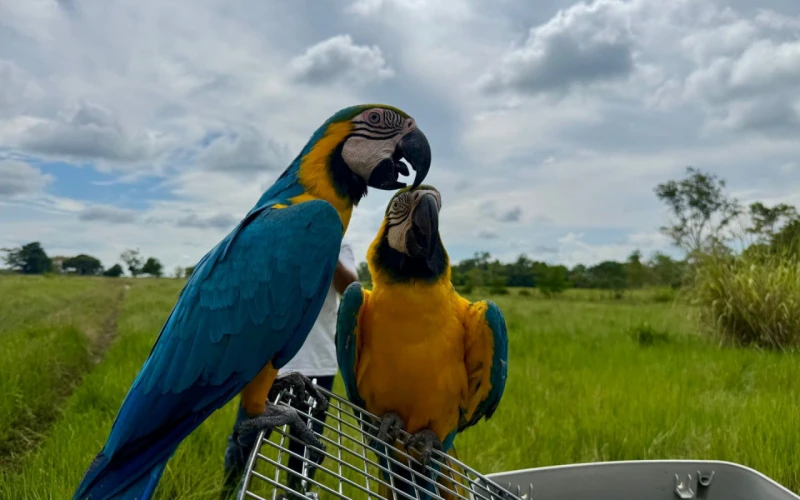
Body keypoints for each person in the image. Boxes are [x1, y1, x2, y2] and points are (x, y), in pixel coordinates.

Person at [222, 237, 359, 499]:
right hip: (265, 362)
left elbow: (351, 287)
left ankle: (296, 493)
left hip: (316, 363)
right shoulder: (278, 235)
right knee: (245, 438)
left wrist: (324, 246)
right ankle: (228, 493)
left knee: (304, 445)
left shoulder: (337, 243)